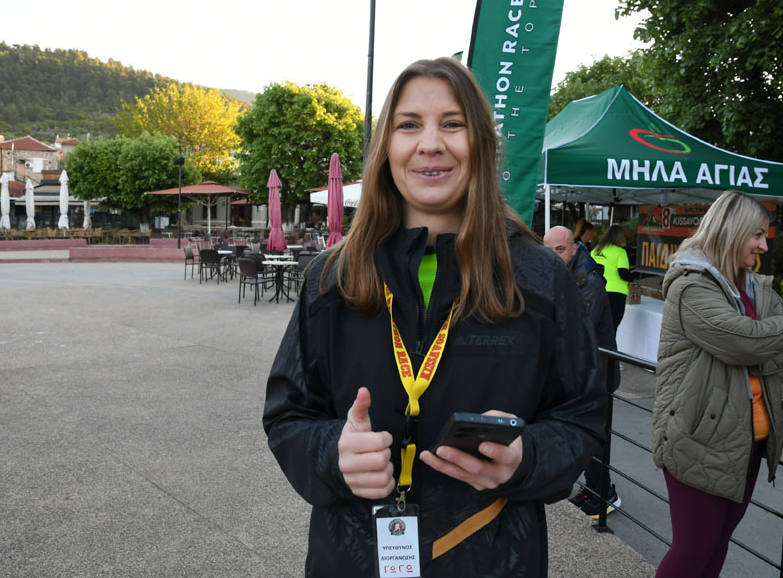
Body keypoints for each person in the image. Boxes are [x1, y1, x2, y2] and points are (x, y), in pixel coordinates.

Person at [262, 57, 606, 577]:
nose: (430, 143)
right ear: (386, 148)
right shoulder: (331, 278)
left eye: (452, 123)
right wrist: (333, 454)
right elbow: (287, 415)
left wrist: (527, 457)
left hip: (494, 560)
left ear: (481, 144)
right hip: (352, 557)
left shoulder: (539, 278)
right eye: (408, 125)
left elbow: (582, 417)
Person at [651, 190, 783, 578]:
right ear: (733, 230)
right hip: (699, 438)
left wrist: (756, 344)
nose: (763, 245)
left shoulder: (752, 286)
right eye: (757, 235)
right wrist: (779, 331)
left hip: (747, 441)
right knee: (694, 550)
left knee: (717, 545)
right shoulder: (692, 285)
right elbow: (742, 340)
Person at [543, 225, 621, 518]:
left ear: (574, 249)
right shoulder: (563, 274)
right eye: (548, 250)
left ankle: (604, 494)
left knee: (594, 436)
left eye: (560, 249)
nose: (553, 256)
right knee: (584, 433)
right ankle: (594, 488)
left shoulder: (588, 281)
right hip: (582, 372)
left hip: (597, 373)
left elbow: (577, 328)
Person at [591, 224, 633, 330]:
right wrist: (633, 278)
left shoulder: (594, 251)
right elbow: (623, 273)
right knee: (611, 328)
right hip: (615, 293)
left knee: (597, 327)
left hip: (596, 291)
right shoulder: (620, 252)